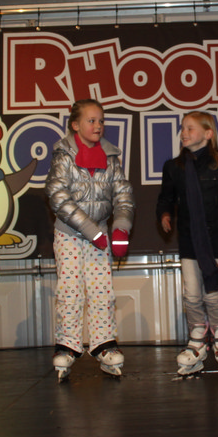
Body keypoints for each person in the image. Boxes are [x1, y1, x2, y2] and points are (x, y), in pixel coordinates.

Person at [156, 112, 218, 376]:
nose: (184, 133)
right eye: (182, 128)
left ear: (208, 134)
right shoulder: (174, 167)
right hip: (188, 239)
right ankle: (197, 336)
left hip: (216, 237)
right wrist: (164, 214)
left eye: (190, 128)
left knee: (212, 292)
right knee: (191, 294)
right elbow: (165, 198)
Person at [46, 99, 135, 379]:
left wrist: (120, 227)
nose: (98, 126)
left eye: (101, 121)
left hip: (100, 234)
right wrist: (88, 229)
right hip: (70, 234)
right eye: (91, 121)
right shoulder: (64, 156)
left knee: (101, 290)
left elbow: (123, 194)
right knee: (71, 290)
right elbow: (57, 195)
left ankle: (103, 344)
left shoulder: (110, 157)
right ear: (75, 125)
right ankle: (67, 346)